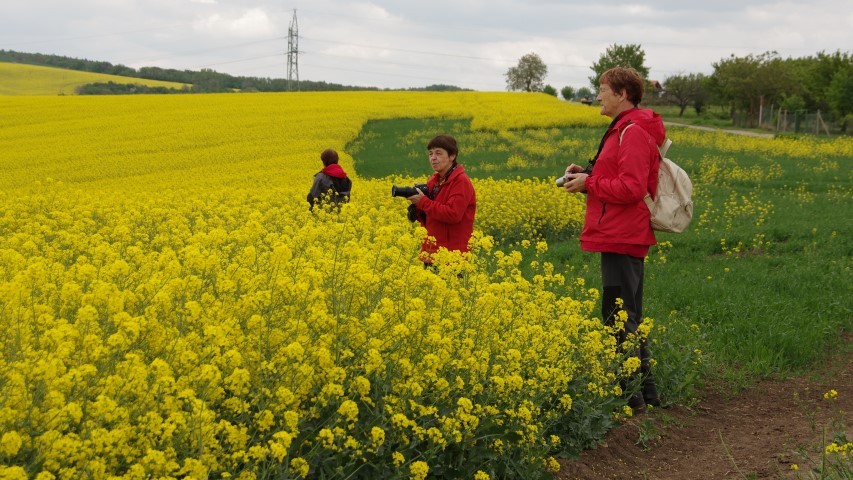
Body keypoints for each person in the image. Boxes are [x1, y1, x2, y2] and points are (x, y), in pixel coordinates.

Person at [562, 67, 663, 413]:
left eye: (603, 89)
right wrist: (587, 175)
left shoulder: (632, 131)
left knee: (618, 317)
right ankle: (646, 396)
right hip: (620, 233)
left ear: (622, 94)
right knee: (627, 316)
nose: (599, 95)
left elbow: (633, 188)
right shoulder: (624, 128)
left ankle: (630, 400)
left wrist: (589, 185)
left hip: (623, 234)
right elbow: (618, 177)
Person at [405, 134, 476, 267]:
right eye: (430, 154)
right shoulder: (434, 180)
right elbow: (431, 214)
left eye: (438, 153)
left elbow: (453, 214)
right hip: (432, 254)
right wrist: (417, 208)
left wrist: (423, 202)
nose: (433, 158)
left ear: (452, 156)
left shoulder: (461, 182)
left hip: (452, 258)